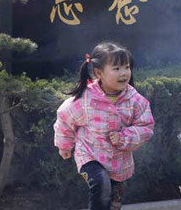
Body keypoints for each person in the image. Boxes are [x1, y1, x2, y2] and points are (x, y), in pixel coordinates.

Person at [54, 42, 155, 210]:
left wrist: (124, 137)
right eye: (116, 69)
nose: (124, 73)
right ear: (98, 73)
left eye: (127, 67)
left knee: (113, 202)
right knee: (101, 186)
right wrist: (65, 145)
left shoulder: (135, 100)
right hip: (90, 154)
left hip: (119, 162)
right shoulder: (86, 99)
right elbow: (65, 117)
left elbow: (146, 126)